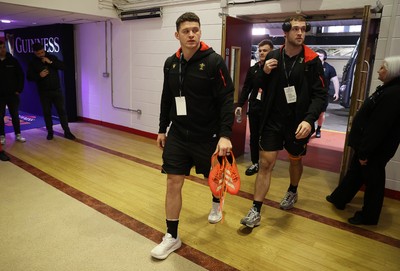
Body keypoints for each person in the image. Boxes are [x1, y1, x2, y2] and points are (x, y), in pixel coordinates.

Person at [151, 12, 234, 260]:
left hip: (207, 135)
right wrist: (161, 128)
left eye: (195, 30)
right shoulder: (170, 63)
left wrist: (225, 135)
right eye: (186, 31)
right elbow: (167, 97)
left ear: (200, 32)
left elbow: (226, 99)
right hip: (178, 134)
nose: (191, 34)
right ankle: (172, 236)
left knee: (214, 179)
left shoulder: (214, 62)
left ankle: (215, 204)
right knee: (173, 182)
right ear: (177, 35)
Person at [240, 15, 326, 228]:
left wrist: (309, 120)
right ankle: (255, 210)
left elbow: (320, 95)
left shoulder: (312, 60)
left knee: (295, 159)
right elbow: (256, 84)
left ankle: (292, 190)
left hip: (298, 123)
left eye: (303, 29)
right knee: (266, 163)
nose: (300, 33)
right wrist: (265, 70)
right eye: (295, 29)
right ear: (285, 32)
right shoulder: (273, 56)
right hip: (273, 121)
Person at [326, 56, 400, 225]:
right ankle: (339, 198)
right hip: (368, 145)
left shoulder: (393, 94)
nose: (379, 70)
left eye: (383, 68)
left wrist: (365, 151)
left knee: (373, 181)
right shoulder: (388, 89)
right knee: (355, 172)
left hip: (375, 149)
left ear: (392, 72)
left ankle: (369, 216)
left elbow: (378, 126)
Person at [235, 39, 274, 176]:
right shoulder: (253, 69)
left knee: (267, 137)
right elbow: (246, 88)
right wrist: (240, 104)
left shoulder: (277, 69)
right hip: (255, 107)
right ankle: (255, 162)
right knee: (254, 136)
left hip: (271, 109)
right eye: (260, 50)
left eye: (265, 50)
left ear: (272, 52)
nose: (262, 53)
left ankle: (267, 162)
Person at [27, 43, 75, 140]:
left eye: (42, 52)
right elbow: (29, 77)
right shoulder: (33, 62)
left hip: (56, 90)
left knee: (62, 111)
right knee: (47, 112)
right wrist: (39, 76)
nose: (41, 54)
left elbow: (63, 67)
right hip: (44, 92)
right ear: (34, 53)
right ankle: (50, 132)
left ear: (44, 50)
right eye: (39, 53)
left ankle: (67, 131)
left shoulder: (52, 57)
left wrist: (51, 62)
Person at [0, 40, 26, 145]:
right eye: (0, 48)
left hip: (12, 94)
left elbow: (20, 75)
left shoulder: (13, 61)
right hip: (0, 95)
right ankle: (2, 135)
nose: (2, 49)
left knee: (15, 115)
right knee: (0, 116)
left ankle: (18, 134)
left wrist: (18, 90)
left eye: (3, 47)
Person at [314, 49, 340, 138]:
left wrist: (337, 92)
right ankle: (309, 129)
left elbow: (335, 81)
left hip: (323, 95)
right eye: (316, 56)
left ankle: (318, 129)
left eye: (320, 56)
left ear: (324, 57)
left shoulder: (329, 68)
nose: (317, 58)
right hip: (311, 94)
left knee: (321, 114)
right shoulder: (310, 66)